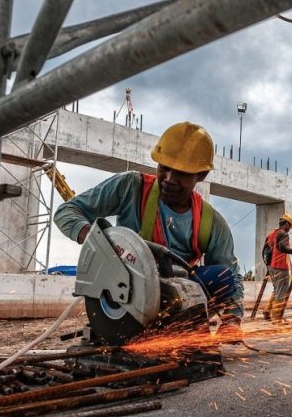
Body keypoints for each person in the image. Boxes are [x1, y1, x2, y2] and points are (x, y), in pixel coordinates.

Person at [54, 121, 243, 340]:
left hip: (176, 295)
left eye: (180, 173)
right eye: (164, 168)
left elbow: (231, 277)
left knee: (221, 275)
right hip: (126, 290)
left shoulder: (211, 222)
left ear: (201, 175)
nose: (169, 179)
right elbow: (67, 212)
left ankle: (179, 327)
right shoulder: (130, 187)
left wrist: (232, 319)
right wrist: (100, 243)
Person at [262, 213, 292, 324]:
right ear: (286, 223)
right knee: (281, 292)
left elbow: (264, 251)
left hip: (272, 266)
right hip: (280, 266)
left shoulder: (272, 234)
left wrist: (268, 265)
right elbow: (282, 248)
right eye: (289, 226)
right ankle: (276, 319)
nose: (289, 229)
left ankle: (267, 311)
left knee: (277, 290)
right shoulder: (284, 234)